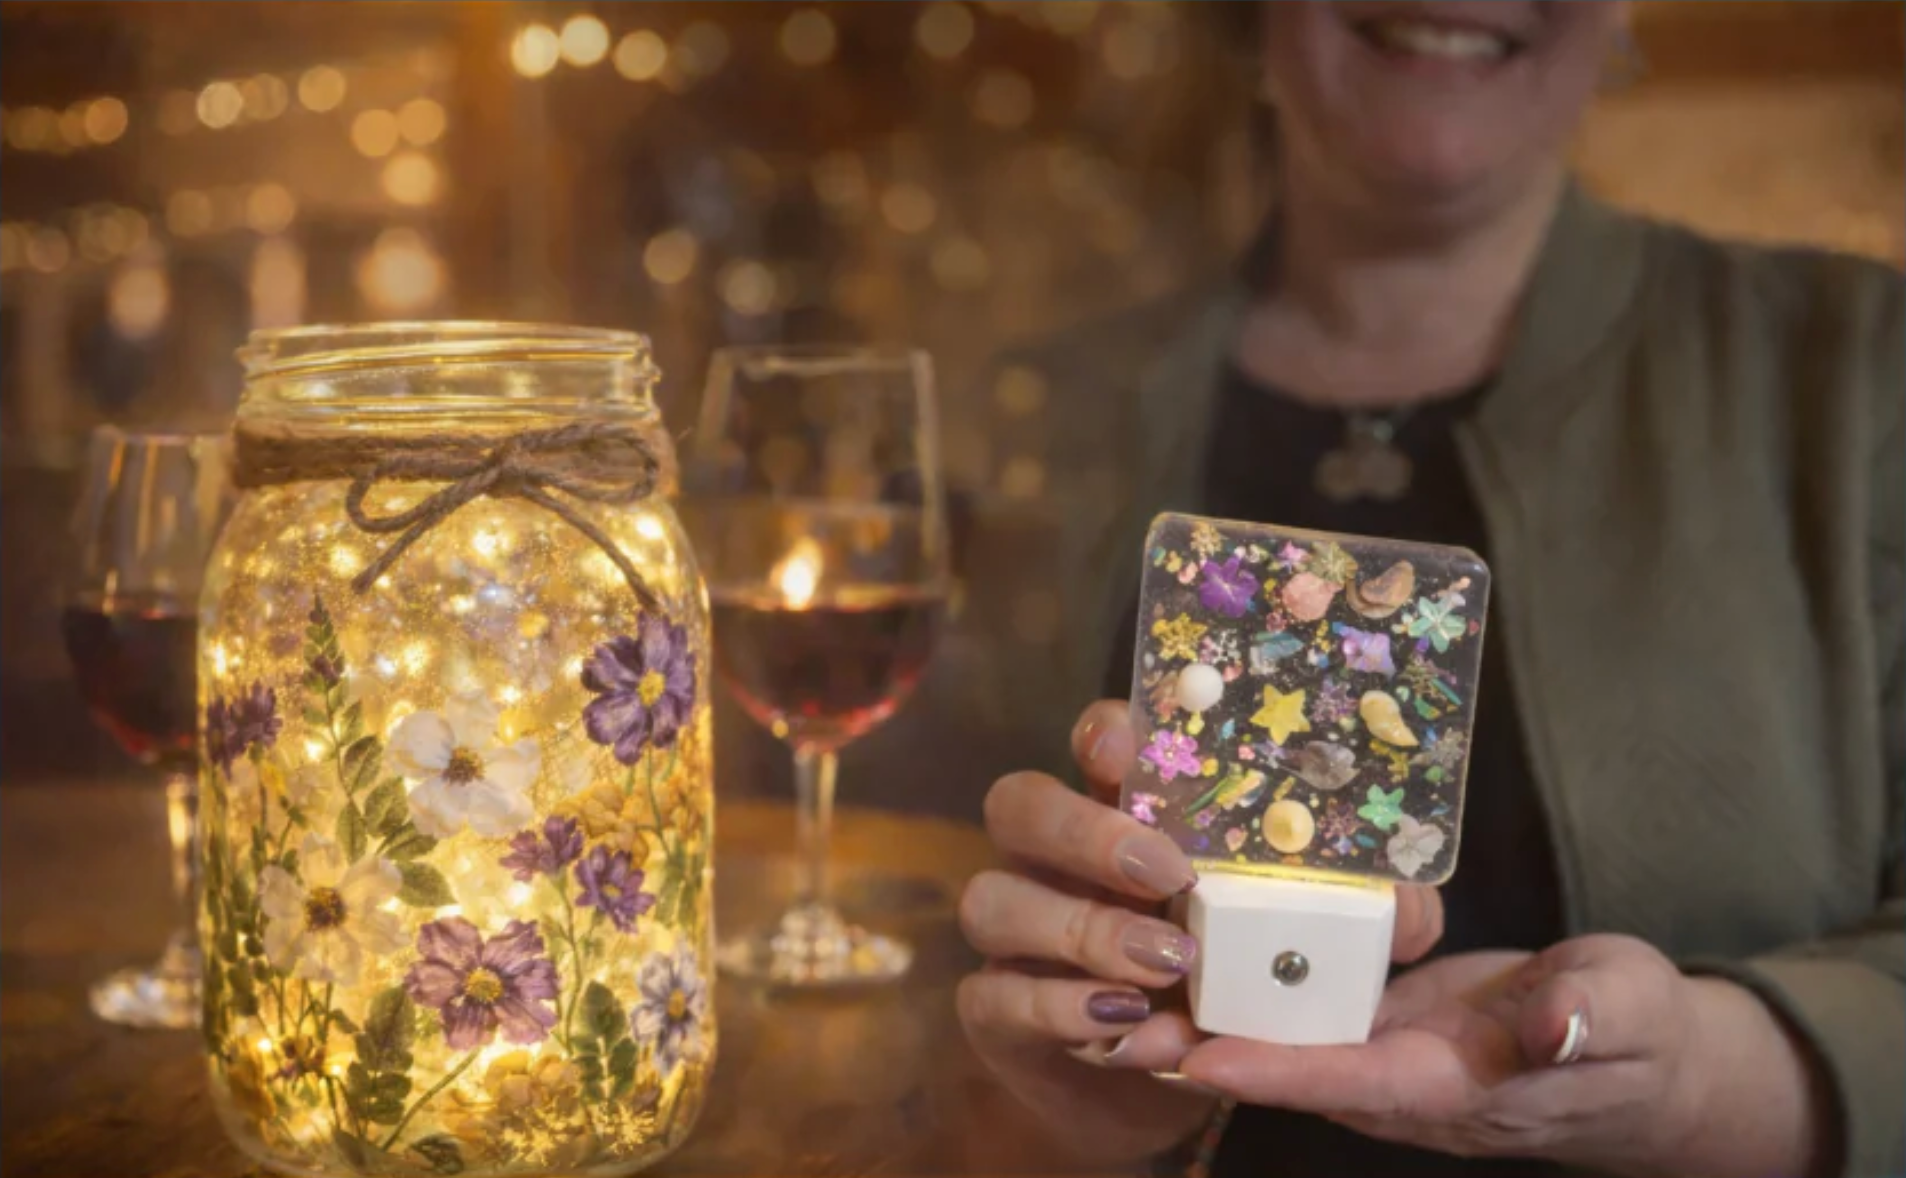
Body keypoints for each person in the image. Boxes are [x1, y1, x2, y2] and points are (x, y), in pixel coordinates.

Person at [955, 2, 1904, 1176]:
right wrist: (1077, 1101)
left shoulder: (1861, 378)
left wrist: (1706, 1080)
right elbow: (915, 959)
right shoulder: (1037, 417)